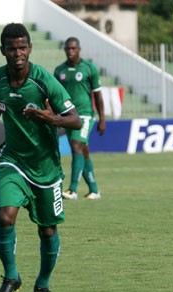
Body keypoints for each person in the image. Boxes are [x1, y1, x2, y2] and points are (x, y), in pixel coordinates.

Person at [0, 23, 82, 292]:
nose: (18, 53)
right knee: (5, 216)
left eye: (23, 47)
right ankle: (11, 277)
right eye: (12, 48)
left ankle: (43, 284)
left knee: (47, 230)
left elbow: (75, 120)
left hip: (46, 169)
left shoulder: (45, 81)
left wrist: (50, 118)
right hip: (13, 161)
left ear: (30, 48)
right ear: (3, 51)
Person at [54, 37, 106, 200]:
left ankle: (72, 189)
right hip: (68, 116)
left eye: (73, 48)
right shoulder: (59, 71)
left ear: (79, 49)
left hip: (85, 115)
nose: (70, 51)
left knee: (76, 146)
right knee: (82, 151)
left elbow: (98, 95)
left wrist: (102, 119)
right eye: (67, 48)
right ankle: (94, 190)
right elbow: (55, 95)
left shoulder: (89, 68)